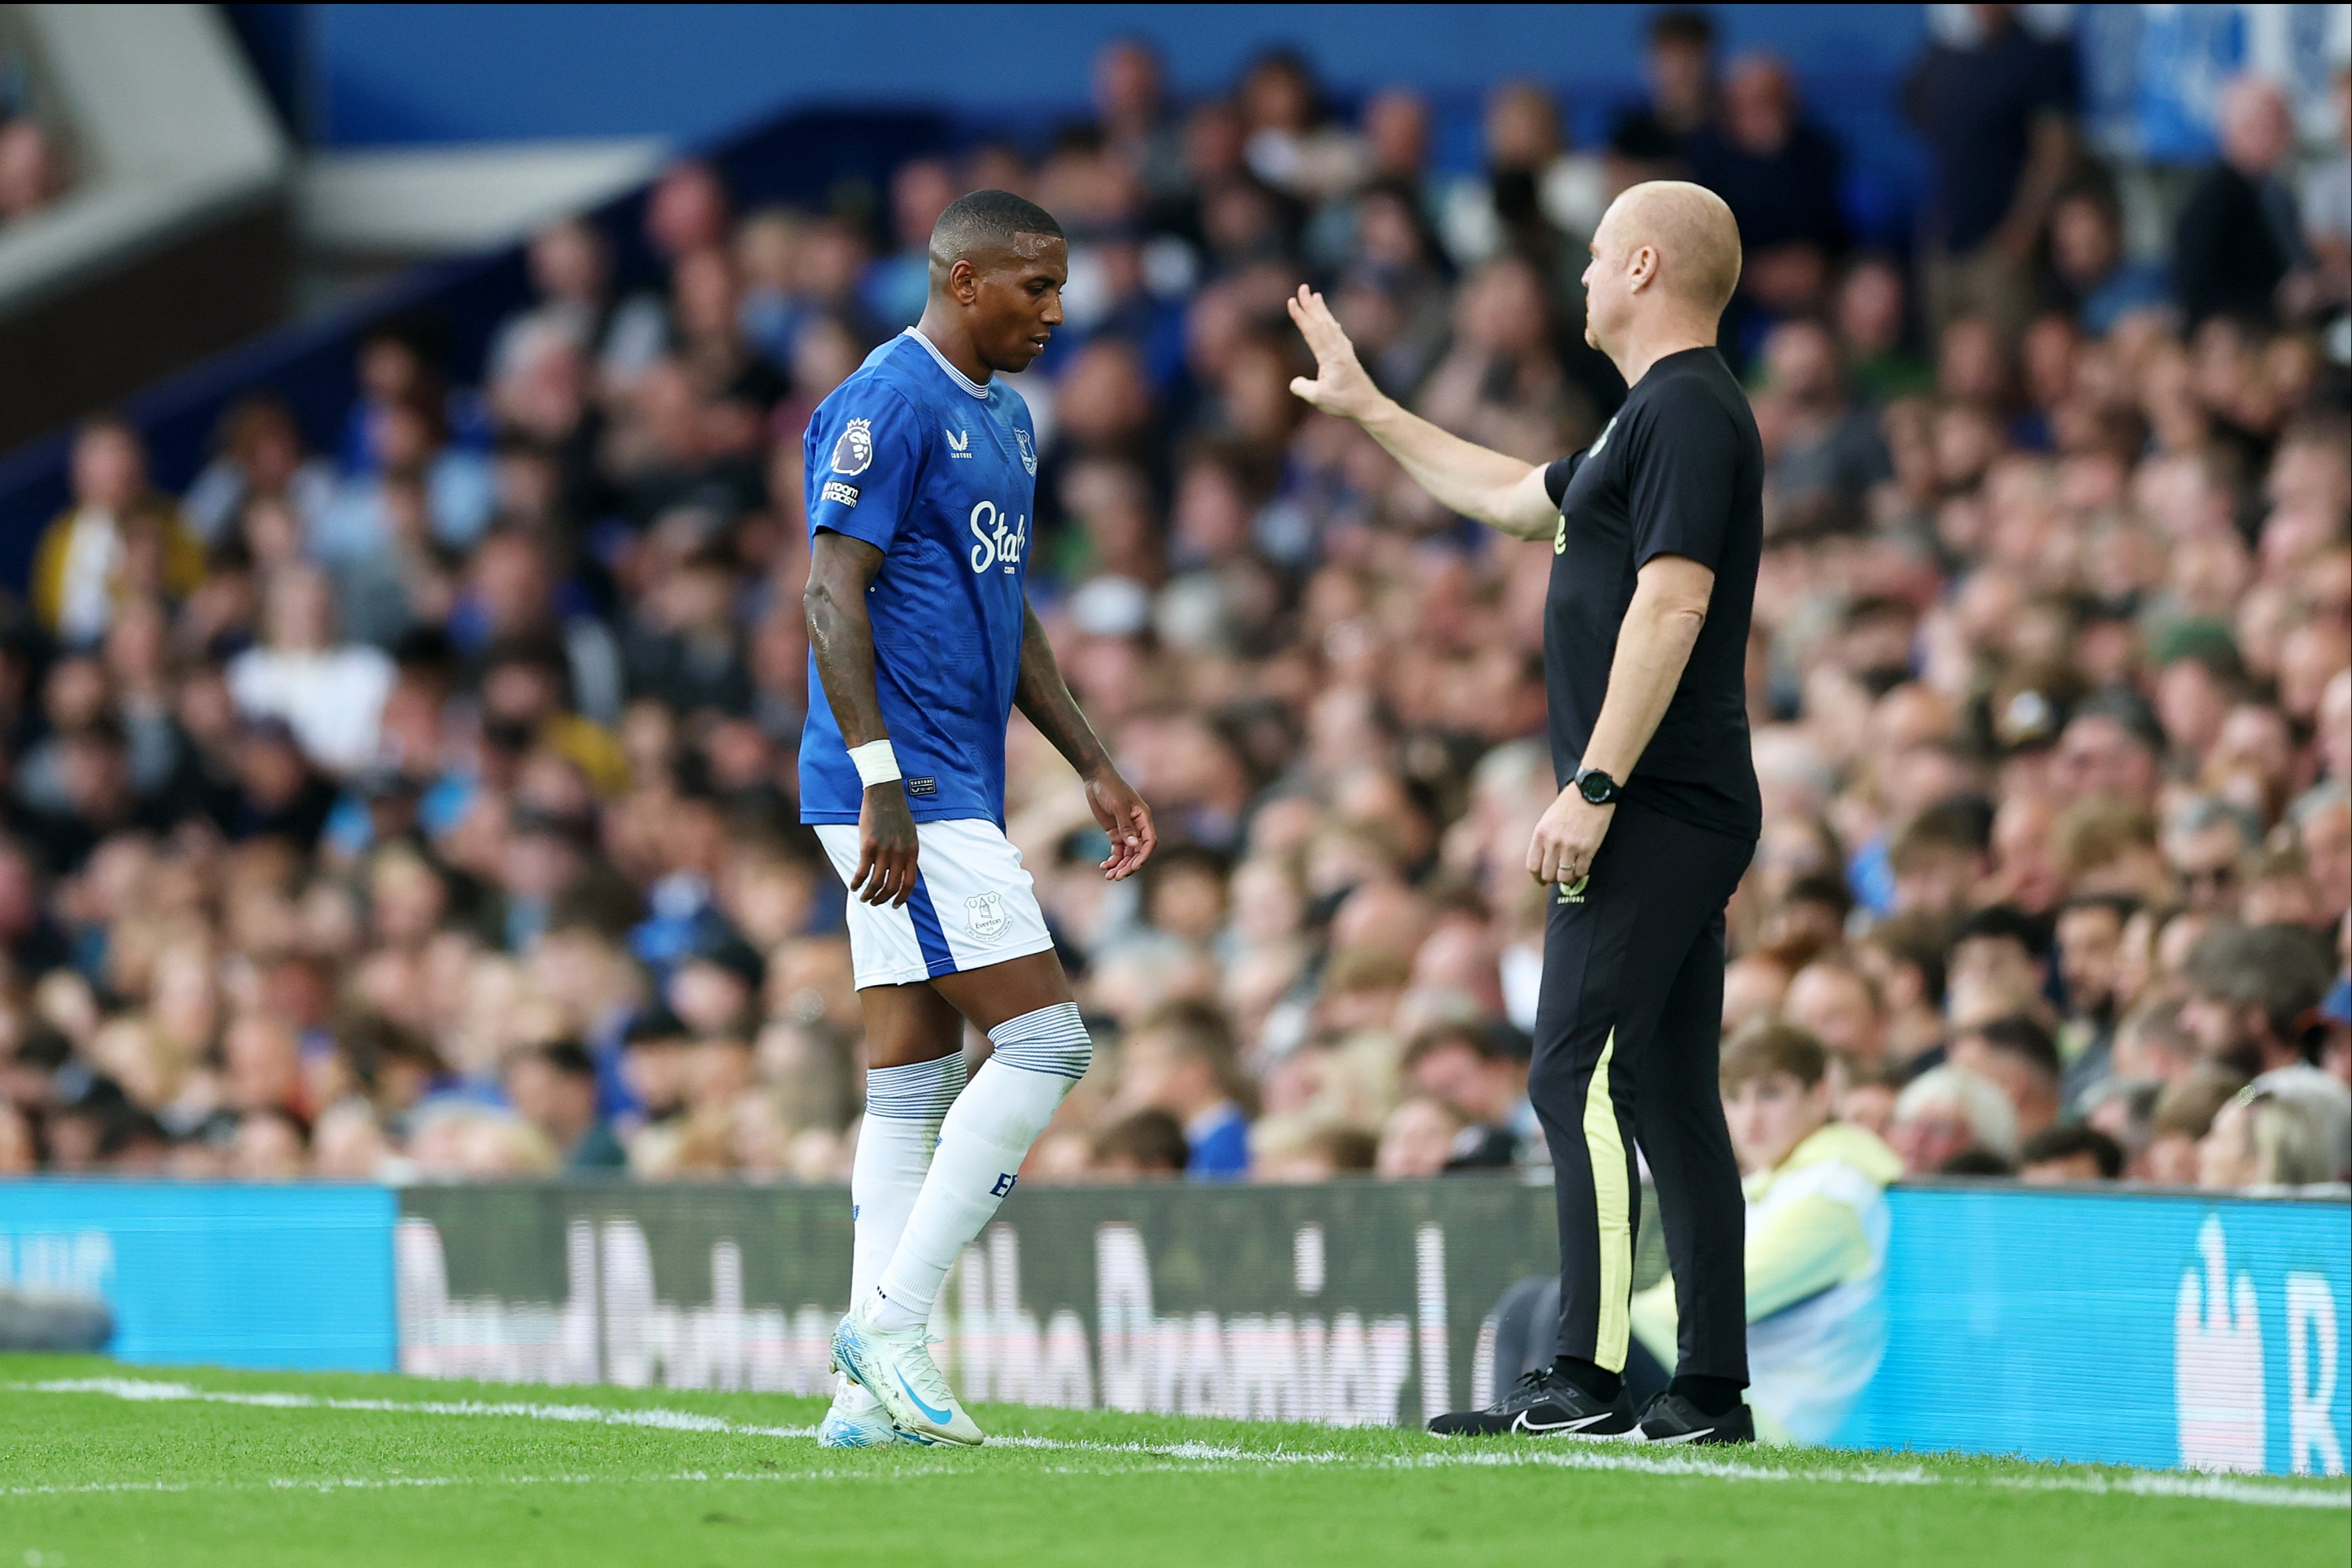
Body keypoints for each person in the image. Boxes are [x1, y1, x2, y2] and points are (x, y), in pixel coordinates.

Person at [1291, 178, 1764, 1444]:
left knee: (1573, 1075)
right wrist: (1372, 409)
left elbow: (1670, 607)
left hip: (1654, 798)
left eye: (1599, 254)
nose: (1581, 276)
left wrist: (1594, 784)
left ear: (1648, 268)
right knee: (1663, 1091)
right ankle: (1708, 1389)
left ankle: (1584, 1375)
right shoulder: (1648, 420)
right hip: (1677, 799)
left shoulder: (1683, 412)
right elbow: (1510, 497)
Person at [805, 190, 1156, 1448]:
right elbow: (828, 592)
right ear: (961, 281)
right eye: (1034, 286)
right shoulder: (886, 400)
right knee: (1049, 1042)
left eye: (1061, 287)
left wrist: (1091, 764)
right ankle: (895, 1325)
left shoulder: (1003, 417)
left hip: (947, 779)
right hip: (910, 791)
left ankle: (862, 1395)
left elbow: (1006, 616)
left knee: (908, 1085)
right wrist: (880, 778)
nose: (1056, 310)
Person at [1631, 1021, 1901, 1445]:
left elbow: (1701, 1308)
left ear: (1821, 1095)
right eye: (1735, 1098)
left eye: (1771, 1094)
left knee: (1579, 1322)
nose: (1750, 1119)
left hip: (1780, 1425)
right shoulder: (1776, 1182)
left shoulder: (1834, 1194)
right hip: (1737, 1400)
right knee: (1542, 1308)